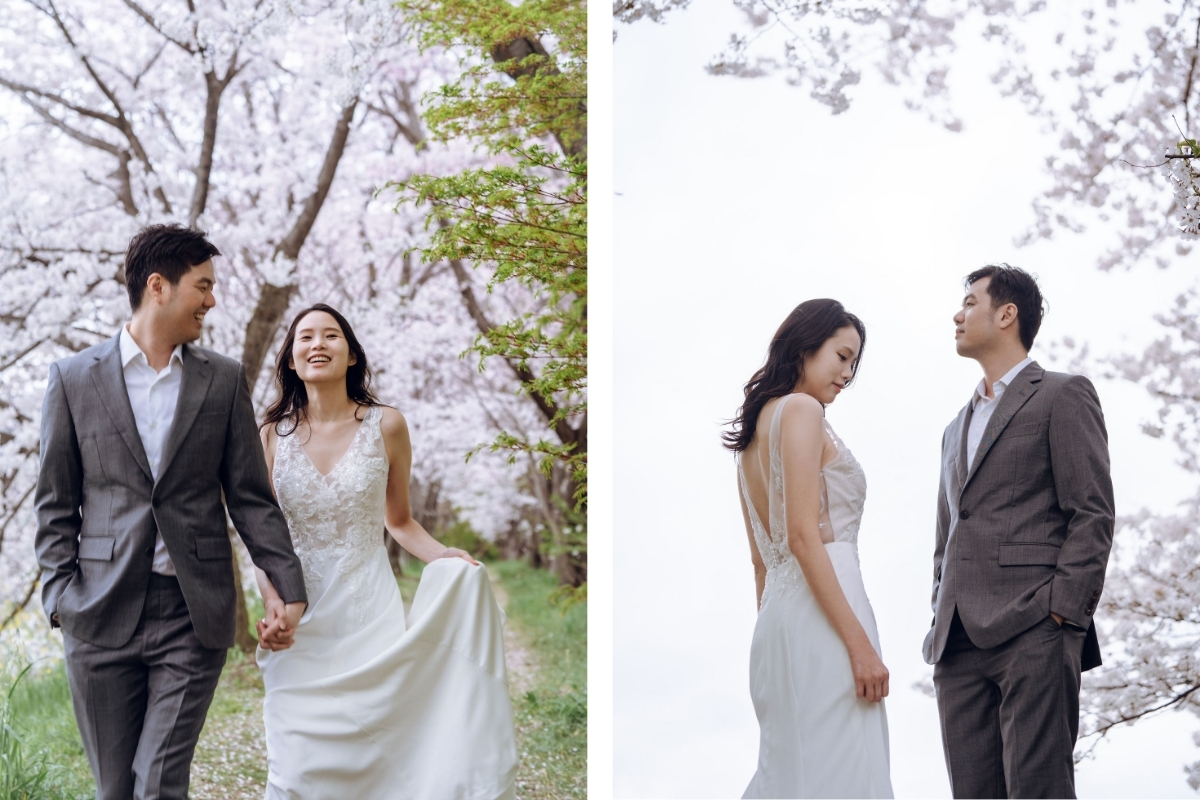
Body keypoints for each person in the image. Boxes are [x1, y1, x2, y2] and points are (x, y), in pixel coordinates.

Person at [33, 223, 308, 800]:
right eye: (202, 286)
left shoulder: (224, 380)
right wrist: (61, 599)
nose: (212, 300)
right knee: (115, 790)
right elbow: (56, 505)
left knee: (158, 784)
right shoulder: (72, 379)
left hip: (192, 611)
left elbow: (250, 496)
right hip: (99, 613)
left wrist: (285, 584)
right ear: (158, 286)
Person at [254, 303, 518, 799]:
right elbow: (262, 535)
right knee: (296, 765)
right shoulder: (271, 435)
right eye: (305, 338)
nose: (318, 345)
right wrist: (272, 601)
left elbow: (399, 521)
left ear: (351, 354)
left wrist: (445, 558)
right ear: (290, 359)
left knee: (375, 750)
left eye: (331, 336)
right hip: (298, 615)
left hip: (366, 610)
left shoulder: (387, 426)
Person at [924, 264, 1115, 798]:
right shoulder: (951, 429)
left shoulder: (1062, 393)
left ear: (1007, 314)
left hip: (1035, 627)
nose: (956, 314)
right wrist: (940, 607)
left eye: (969, 302)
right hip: (956, 643)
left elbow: (1092, 511)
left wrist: (1061, 614)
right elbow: (948, 534)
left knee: (1038, 790)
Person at [726, 298, 892, 799]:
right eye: (841, 356)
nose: (848, 373)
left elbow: (762, 563)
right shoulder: (801, 410)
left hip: (780, 618)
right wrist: (859, 646)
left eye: (854, 363)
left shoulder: (750, 443)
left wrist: (775, 642)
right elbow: (802, 536)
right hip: (829, 616)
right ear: (804, 348)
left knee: (796, 771)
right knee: (842, 773)